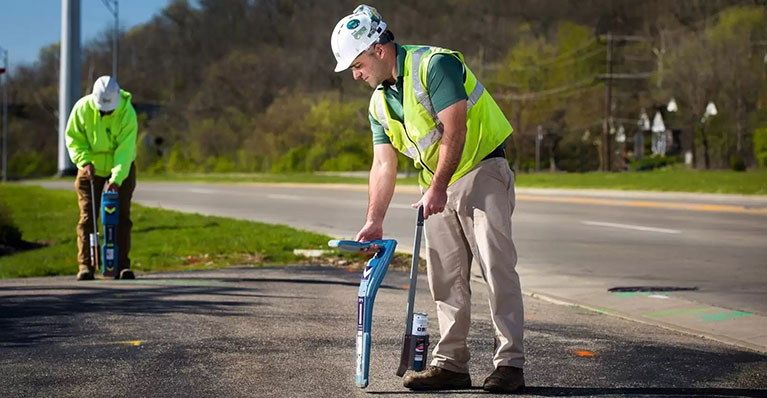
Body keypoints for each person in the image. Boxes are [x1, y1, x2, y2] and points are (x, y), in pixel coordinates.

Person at [331, 5, 525, 393]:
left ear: (379, 51)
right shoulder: (379, 103)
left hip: (480, 170)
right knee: (445, 277)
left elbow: (457, 129)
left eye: (357, 64)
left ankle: (510, 363)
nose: (355, 74)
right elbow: (383, 166)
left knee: (496, 267)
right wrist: (375, 219)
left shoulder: (435, 65)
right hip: (435, 187)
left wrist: (438, 186)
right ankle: (451, 363)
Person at [65, 75, 137, 281]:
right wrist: (84, 161)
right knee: (88, 216)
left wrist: (116, 179)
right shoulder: (81, 109)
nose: (106, 112)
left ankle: (122, 265)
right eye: (102, 109)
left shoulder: (127, 113)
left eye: (110, 109)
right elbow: (74, 138)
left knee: (122, 216)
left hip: (121, 168)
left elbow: (125, 150)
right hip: (90, 167)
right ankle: (86, 265)